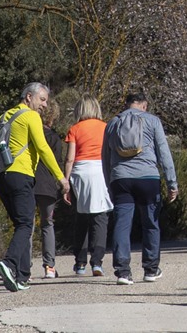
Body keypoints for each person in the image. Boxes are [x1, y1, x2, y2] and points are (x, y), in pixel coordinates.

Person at [0, 81, 66, 292]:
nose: (45, 105)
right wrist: (61, 178)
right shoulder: (31, 116)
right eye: (42, 99)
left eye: (46, 101)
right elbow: (43, 148)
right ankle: (10, 263)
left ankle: (21, 277)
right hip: (20, 174)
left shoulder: (2, 117)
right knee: (26, 224)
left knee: (20, 223)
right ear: (28, 97)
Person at [105, 89, 177, 284]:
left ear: (127, 105)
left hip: (121, 179)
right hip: (148, 178)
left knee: (122, 224)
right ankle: (151, 270)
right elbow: (164, 153)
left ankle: (123, 272)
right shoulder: (152, 121)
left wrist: (109, 184)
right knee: (151, 224)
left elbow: (106, 158)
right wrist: (172, 182)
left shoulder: (112, 123)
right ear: (144, 105)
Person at [63, 94, 112, 277]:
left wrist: (66, 181)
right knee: (100, 217)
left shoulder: (74, 128)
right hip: (100, 170)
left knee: (81, 217)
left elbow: (70, 158)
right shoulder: (106, 127)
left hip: (80, 172)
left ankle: (80, 262)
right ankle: (97, 262)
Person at [32, 96, 71, 279]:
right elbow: (59, 161)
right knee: (47, 224)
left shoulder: (29, 132)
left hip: (29, 183)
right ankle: (49, 266)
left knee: (27, 225)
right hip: (47, 185)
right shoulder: (54, 138)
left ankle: (24, 266)